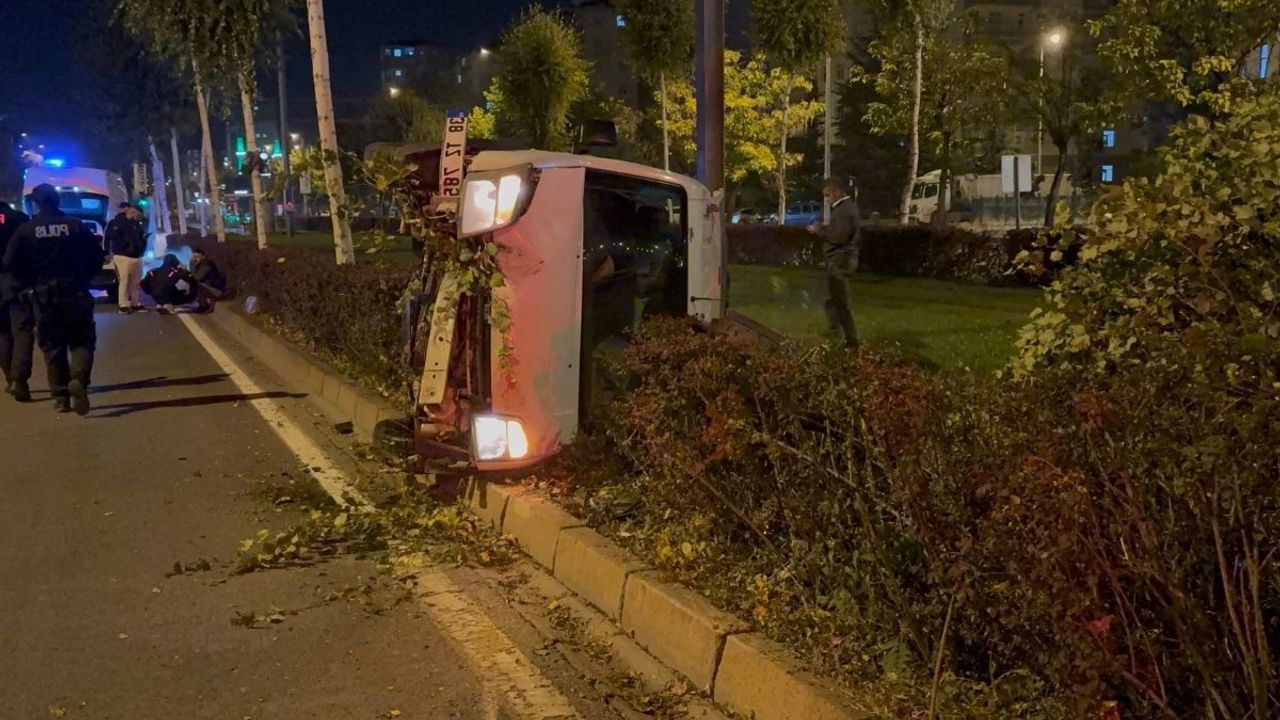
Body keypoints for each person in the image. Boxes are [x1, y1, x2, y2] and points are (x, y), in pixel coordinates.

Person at [4, 184, 106, 415]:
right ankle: (78, 379)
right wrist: (84, 278)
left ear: (36, 203)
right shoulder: (75, 226)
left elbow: (10, 263)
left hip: (44, 295)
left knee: (53, 345)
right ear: (57, 200)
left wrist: (28, 284)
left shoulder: (26, 230)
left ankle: (61, 397)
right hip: (75, 290)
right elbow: (96, 256)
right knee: (82, 340)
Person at [808, 178, 862, 349]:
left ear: (837, 192)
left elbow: (838, 237)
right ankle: (835, 330)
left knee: (841, 301)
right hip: (840, 260)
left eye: (828, 195)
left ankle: (852, 340)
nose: (826, 199)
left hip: (841, 261)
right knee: (832, 299)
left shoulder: (844, 210)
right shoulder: (845, 208)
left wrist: (819, 230)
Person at [0, 199, 34, 402]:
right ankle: (19, 380)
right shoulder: (19, 219)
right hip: (16, 282)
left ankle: (9, 375)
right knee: (22, 332)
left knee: (2, 333)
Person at [105, 202, 147, 313]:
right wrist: (125, 244)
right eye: (138, 213)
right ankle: (123, 304)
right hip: (122, 255)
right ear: (132, 210)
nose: (138, 215)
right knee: (124, 280)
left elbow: (141, 237)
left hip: (136, 256)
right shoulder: (116, 222)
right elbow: (110, 237)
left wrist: (141, 248)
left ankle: (135, 303)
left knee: (135, 282)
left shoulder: (136, 224)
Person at [188, 247, 226, 313]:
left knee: (197, 286)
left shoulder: (206, 265)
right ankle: (203, 305)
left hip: (217, 290)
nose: (195, 259)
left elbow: (197, 277)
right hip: (212, 287)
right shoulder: (201, 264)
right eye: (194, 257)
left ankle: (204, 306)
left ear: (203, 256)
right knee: (195, 284)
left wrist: (191, 264)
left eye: (198, 256)